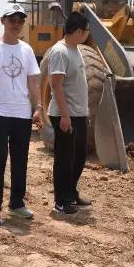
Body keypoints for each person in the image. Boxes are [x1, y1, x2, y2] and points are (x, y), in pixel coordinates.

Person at [0, 3, 42, 225]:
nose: (17, 24)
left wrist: (38, 107)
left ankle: (17, 204)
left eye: (21, 20)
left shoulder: (27, 50)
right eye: (12, 19)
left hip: (21, 113)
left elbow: (33, 79)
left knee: (20, 160)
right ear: (2, 21)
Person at [47, 12, 93, 214]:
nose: (87, 34)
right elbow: (56, 86)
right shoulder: (60, 52)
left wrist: (85, 111)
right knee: (65, 158)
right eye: (86, 30)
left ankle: (71, 193)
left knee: (79, 156)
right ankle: (61, 201)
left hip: (79, 113)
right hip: (65, 114)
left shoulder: (76, 50)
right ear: (78, 31)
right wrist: (65, 116)